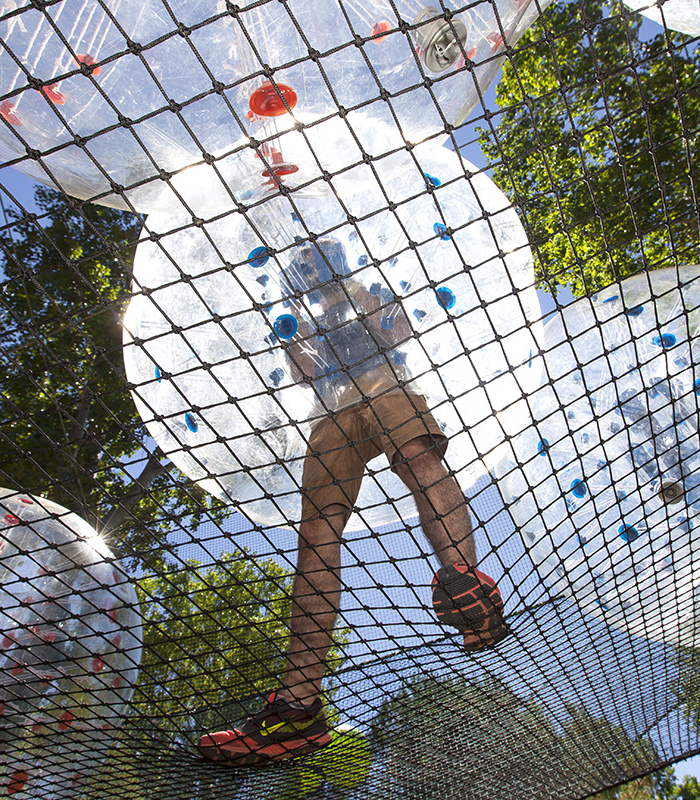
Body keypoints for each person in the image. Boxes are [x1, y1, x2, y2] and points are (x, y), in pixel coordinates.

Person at [197, 237, 511, 767]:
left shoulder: (369, 288)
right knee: (317, 530)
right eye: (306, 267)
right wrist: (291, 334)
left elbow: (401, 327)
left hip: (386, 385)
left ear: (338, 264)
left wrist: (361, 294)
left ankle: (465, 587)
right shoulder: (301, 315)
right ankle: (299, 710)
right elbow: (303, 374)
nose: (314, 271)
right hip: (331, 413)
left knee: (416, 454)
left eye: (322, 262)